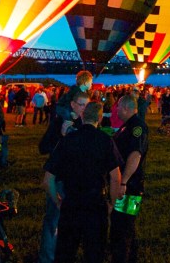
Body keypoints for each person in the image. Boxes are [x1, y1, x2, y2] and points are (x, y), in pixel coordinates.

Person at [45, 101, 123, 263]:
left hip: (71, 203)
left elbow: (48, 179)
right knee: (95, 254)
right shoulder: (105, 140)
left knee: (65, 253)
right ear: (99, 118)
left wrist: (58, 201)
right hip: (96, 205)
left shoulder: (67, 140)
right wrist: (112, 203)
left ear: (82, 116)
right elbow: (116, 177)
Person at [36, 91, 88, 263]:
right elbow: (43, 147)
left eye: (86, 105)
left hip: (76, 179)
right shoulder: (60, 122)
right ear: (72, 104)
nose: (84, 108)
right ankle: (47, 257)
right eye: (81, 104)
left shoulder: (84, 123)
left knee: (71, 219)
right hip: (59, 177)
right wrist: (61, 137)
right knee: (54, 218)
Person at [110, 94, 149, 263]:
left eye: (118, 107)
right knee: (126, 226)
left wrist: (123, 181)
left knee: (122, 227)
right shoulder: (128, 125)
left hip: (131, 187)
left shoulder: (137, 127)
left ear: (126, 108)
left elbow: (135, 155)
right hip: (127, 184)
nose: (116, 110)